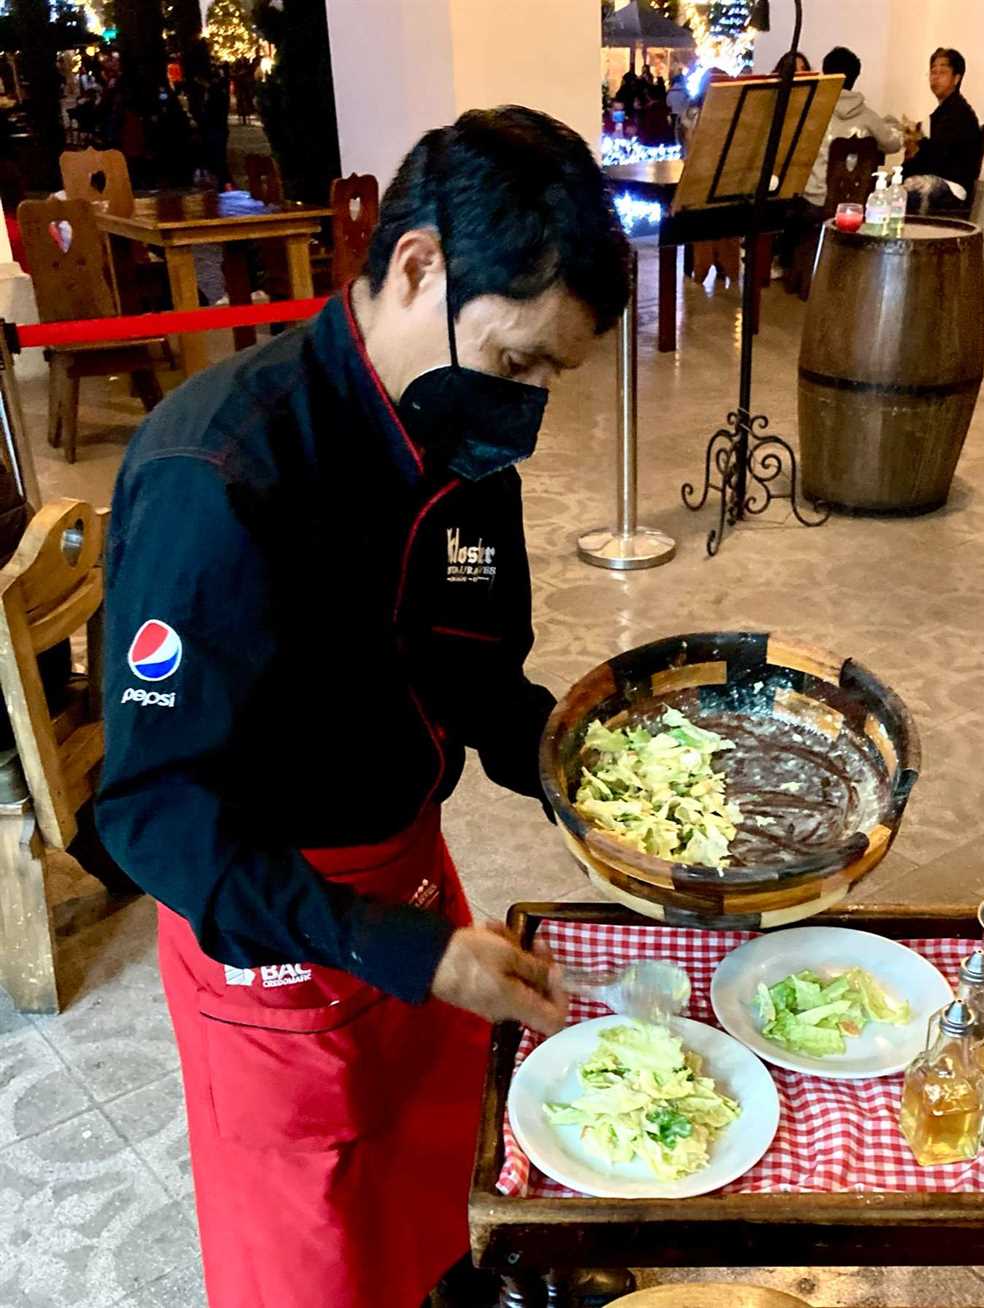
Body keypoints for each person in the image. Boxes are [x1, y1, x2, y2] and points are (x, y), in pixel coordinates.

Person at [96, 106, 630, 1308]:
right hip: (271, 932)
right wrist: (402, 950)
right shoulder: (223, 473)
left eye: (556, 374)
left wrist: (572, 766)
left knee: (434, 1169)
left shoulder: (465, 447)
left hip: (413, 868)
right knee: (316, 1241)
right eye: (518, 360)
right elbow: (153, 814)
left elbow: (471, 659)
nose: (529, 401)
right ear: (417, 266)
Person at [775, 47, 902, 276]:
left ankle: (792, 268)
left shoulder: (812, 112)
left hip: (814, 203)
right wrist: (893, 125)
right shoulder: (868, 117)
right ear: (855, 77)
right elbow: (893, 143)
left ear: (825, 73)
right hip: (852, 207)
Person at [901, 47, 984, 214]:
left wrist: (918, 144)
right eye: (932, 72)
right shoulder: (939, 114)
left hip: (952, 185)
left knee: (912, 190)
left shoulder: (960, 113)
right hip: (934, 176)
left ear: (956, 78)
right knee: (888, 187)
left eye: (943, 72)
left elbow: (939, 158)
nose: (935, 77)